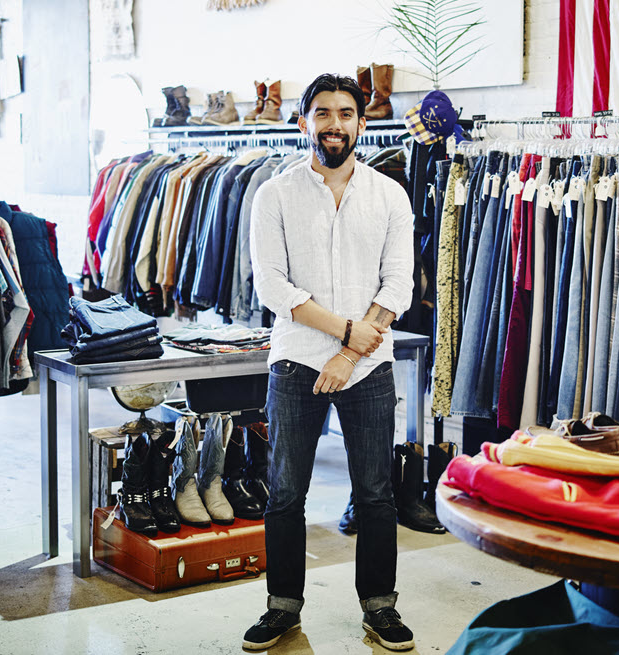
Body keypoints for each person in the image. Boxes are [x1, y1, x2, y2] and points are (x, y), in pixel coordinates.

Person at [245, 73, 415, 651]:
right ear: (303, 123)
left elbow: (398, 284)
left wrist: (348, 353)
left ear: (362, 123)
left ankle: (380, 606)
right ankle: (282, 608)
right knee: (285, 493)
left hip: (368, 368)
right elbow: (272, 285)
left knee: (375, 493)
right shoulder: (274, 194)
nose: (334, 124)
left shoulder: (389, 195)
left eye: (345, 113)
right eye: (322, 113)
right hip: (296, 363)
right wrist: (344, 331)